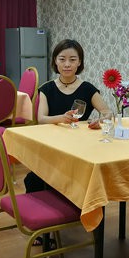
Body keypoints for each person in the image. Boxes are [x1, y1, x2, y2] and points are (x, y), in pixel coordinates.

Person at [24, 38, 109, 193]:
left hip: (81, 149)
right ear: (55, 61)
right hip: (53, 147)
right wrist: (62, 118)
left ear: (79, 62)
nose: (67, 64)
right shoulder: (46, 88)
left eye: (72, 60)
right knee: (34, 180)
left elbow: (107, 113)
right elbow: (41, 119)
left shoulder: (88, 89)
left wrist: (100, 121)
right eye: (62, 59)